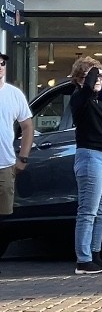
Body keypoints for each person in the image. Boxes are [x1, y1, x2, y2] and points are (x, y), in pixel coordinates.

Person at [69, 57, 102, 275]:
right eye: (95, 76)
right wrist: (94, 71)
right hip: (90, 157)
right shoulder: (80, 97)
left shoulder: (98, 101)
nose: (99, 79)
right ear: (82, 78)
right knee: (88, 210)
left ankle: (95, 255)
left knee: (101, 210)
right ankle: (83, 259)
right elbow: (88, 86)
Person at [0, 52, 32, 222]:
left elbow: (27, 126)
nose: (0, 67)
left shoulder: (14, 94)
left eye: (2, 63)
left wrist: (23, 158)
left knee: (4, 218)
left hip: (5, 165)